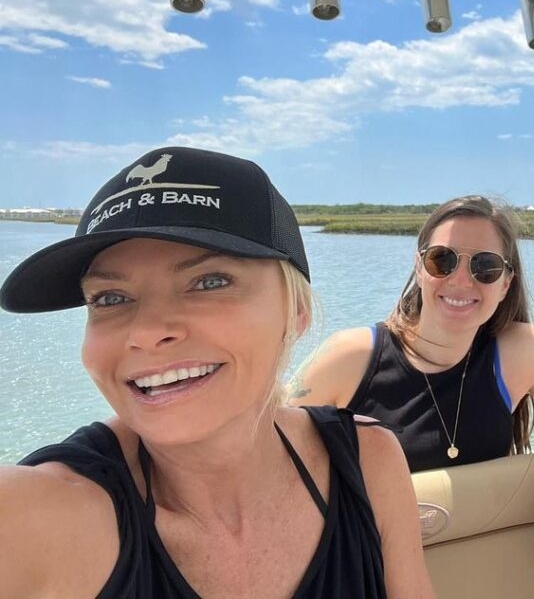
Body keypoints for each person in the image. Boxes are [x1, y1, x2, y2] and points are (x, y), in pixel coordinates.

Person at [0, 146, 435, 599]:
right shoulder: (35, 515)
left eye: (209, 282)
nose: (147, 332)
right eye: (109, 297)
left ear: (297, 312)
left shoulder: (368, 462)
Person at [287, 195, 534, 472]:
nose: (461, 280)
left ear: (506, 284)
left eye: (485, 267)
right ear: (419, 268)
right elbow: (265, 452)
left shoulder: (522, 353)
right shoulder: (351, 357)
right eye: (442, 260)